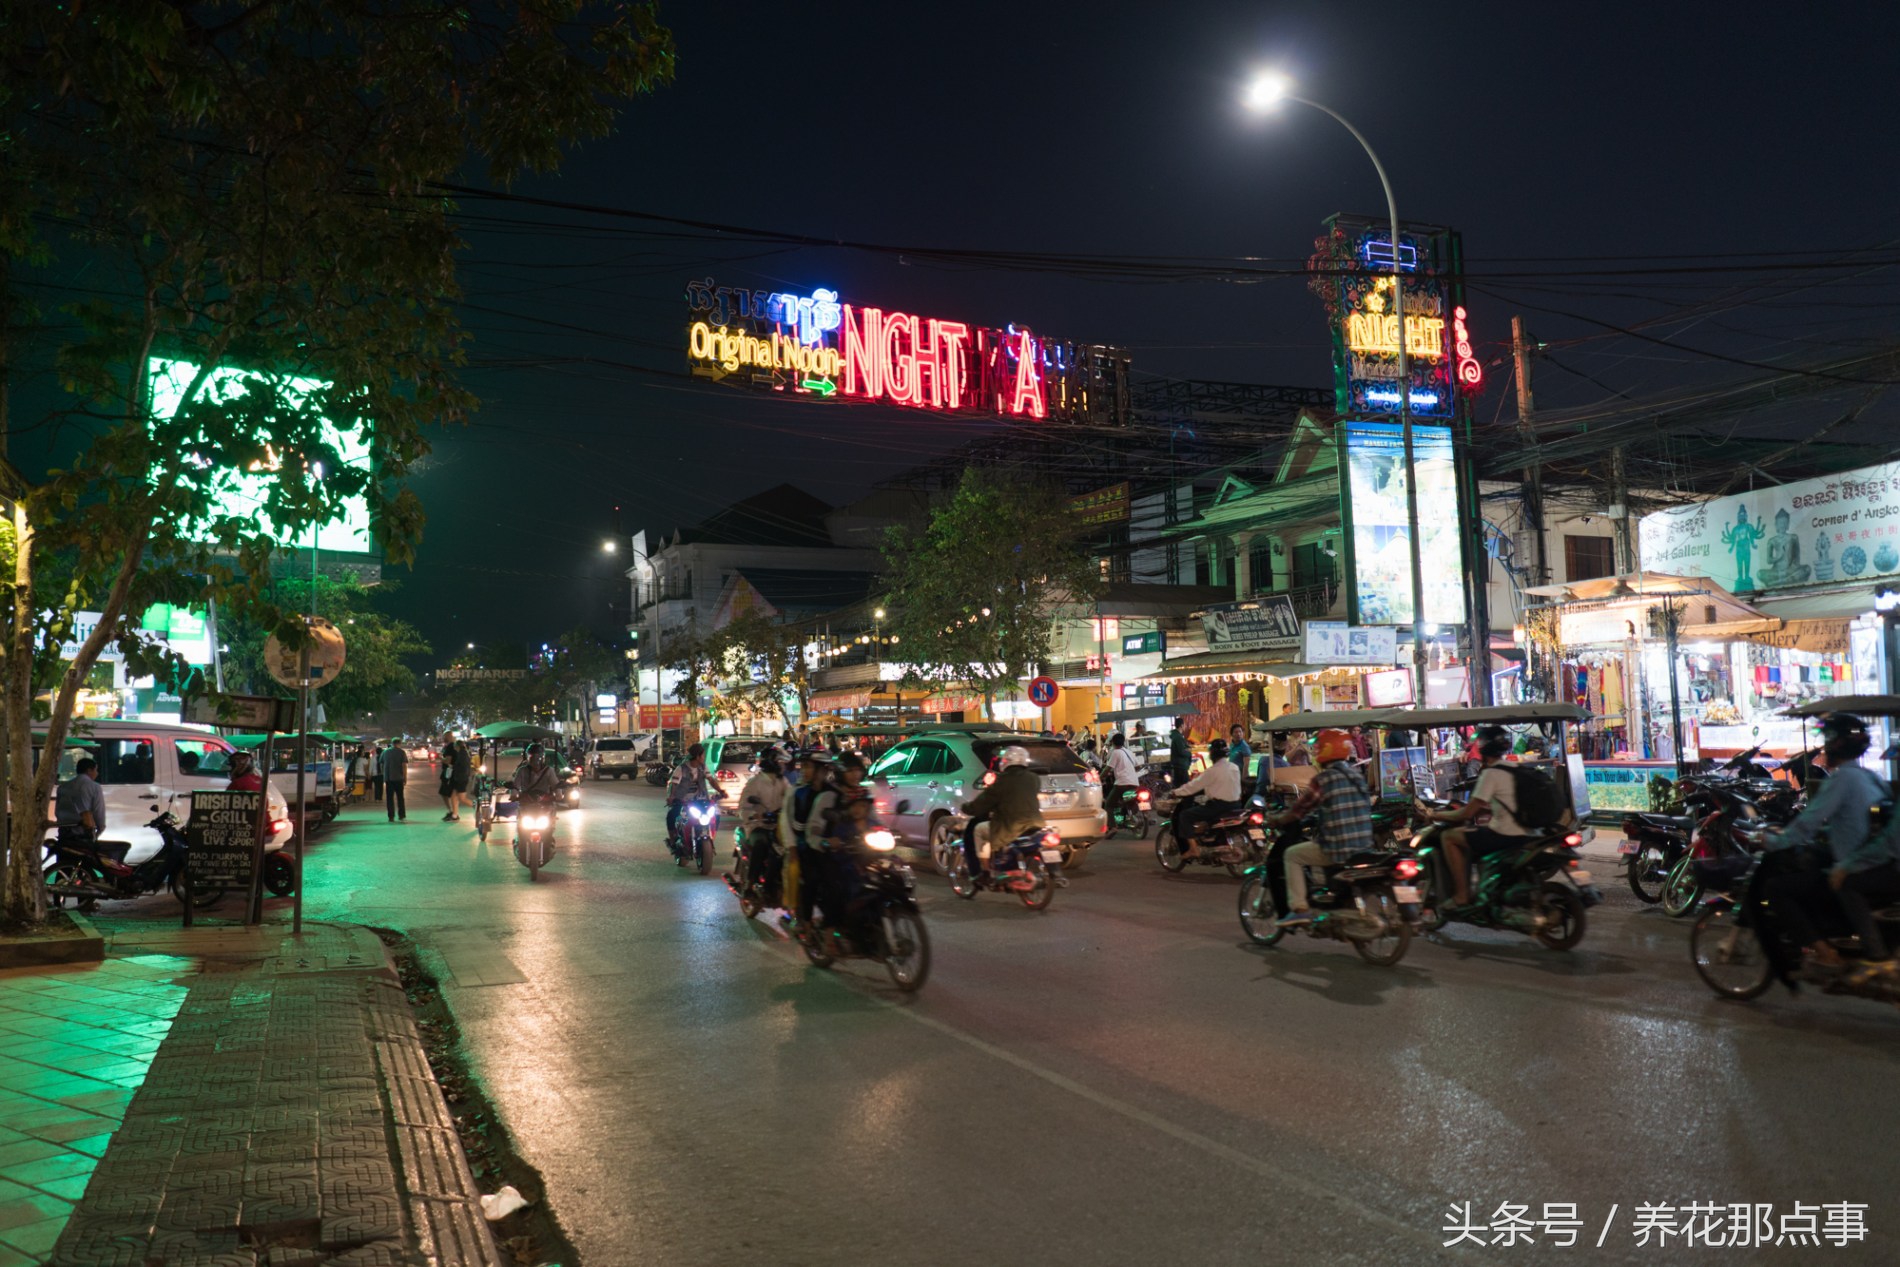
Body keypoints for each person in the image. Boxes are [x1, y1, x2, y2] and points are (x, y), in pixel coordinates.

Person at [1763, 714, 1897, 977]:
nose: (1824, 746)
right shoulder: (1870, 777)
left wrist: (1773, 841)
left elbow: (1807, 824)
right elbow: (1848, 823)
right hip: (1875, 860)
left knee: (1777, 889)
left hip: (1862, 864)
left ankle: (1827, 954)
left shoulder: (1842, 780)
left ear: (1837, 744)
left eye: (1828, 739)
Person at [1268, 729, 1376, 925]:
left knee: (1292, 855)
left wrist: (1278, 820)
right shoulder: (1356, 776)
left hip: (1338, 846)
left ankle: (1299, 909)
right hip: (1364, 846)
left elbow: (1299, 810)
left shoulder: (1324, 779)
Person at [1427, 726, 1532, 907]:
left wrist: (1436, 815)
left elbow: (1467, 813)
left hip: (1503, 834)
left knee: (1449, 836)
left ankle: (1462, 895)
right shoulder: (1515, 767)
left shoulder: (1490, 774)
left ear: (1483, 748)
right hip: (1525, 832)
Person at [959, 744, 1044, 879]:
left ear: (1006, 762)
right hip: (1035, 824)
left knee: (978, 830)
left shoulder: (1002, 780)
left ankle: (985, 871)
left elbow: (982, 803)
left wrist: (966, 808)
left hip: (1010, 826)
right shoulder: (1034, 778)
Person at [1170, 738, 1244, 861]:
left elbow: (1193, 786)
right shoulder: (1234, 767)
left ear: (1212, 754)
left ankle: (1193, 849)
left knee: (1185, 816)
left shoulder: (1212, 771)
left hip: (1218, 807)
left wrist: (1176, 792)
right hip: (1236, 805)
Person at [736, 751, 789, 905]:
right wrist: (755, 815)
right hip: (757, 826)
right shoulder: (755, 783)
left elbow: (791, 798)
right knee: (761, 844)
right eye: (780, 762)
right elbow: (743, 807)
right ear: (772, 763)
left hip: (778, 826)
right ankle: (750, 885)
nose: (783, 766)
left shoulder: (783, 781)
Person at [666, 743, 713, 857]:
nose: (704, 757)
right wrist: (672, 797)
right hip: (683, 800)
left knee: (714, 815)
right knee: (671, 816)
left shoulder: (703, 767)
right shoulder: (681, 768)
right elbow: (674, 784)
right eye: (703, 755)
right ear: (697, 756)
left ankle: (710, 838)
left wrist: (721, 791)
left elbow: (711, 780)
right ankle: (673, 840)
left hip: (700, 799)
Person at [54, 757, 108, 844]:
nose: (97, 773)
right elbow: (98, 811)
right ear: (89, 770)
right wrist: (100, 829)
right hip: (83, 834)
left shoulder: (63, 787)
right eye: (96, 770)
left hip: (64, 833)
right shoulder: (94, 787)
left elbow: (57, 812)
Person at [1106, 731, 1142, 820]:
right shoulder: (1129, 752)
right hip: (1134, 783)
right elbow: (1138, 767)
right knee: (1125, 801)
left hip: (1122, 784)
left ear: (1113, 742)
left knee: (1108, 804)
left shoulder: (1115, 752)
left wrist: (1099, 778)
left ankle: (1112, 825)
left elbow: (1108, 768)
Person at [441, 738, 473, 821]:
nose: (454, 747)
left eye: (455, 746)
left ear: (457, 746)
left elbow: (462, 767)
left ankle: (478, 807)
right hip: (459, 778)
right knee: (453, 797)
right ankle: (454, 815)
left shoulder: (462, 754)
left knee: (462, 799)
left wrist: (453, 767)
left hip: (461, 779)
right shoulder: (462, 753)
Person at [380, 741, 409, 822]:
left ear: (392, 743)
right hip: (398, 778)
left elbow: (381, 763)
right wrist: (405, 777)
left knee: (389, 798)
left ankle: (391, 816)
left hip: (389, 779)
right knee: (400, 798)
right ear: (399, 743)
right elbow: (404, 766)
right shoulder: (401, 752)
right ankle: (401, 815)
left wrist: (384, 774)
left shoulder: (385, 752)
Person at [1168, 719, 1193, 788]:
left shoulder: (1176, 736)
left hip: (1178, 765)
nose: (1185, 726)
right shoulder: (1178, 737)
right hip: (1181, 765)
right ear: (1181, 725)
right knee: (1186, 787)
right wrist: (1190, 753)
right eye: (1184, 725)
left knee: (1178, 786)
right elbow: (1181, 751)